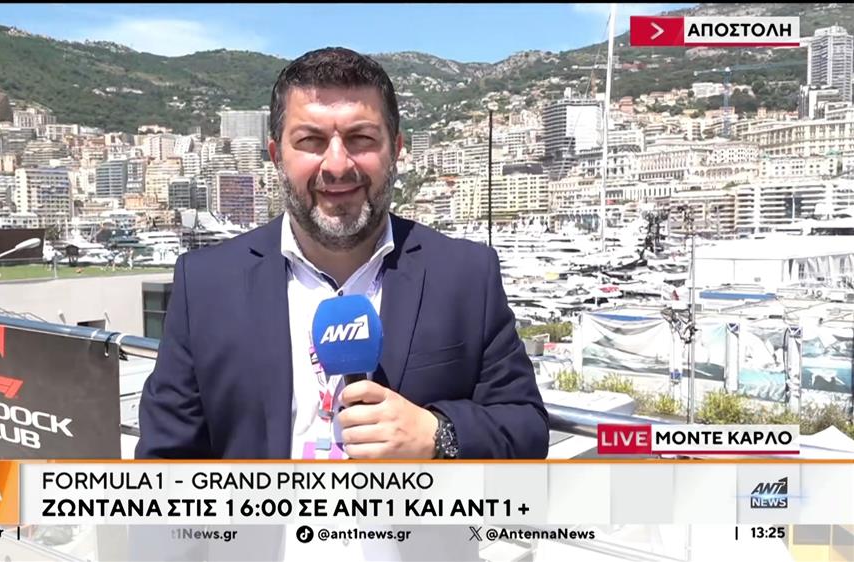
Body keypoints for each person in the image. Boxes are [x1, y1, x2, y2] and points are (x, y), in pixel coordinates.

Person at [134, 46, 548, 562]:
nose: (337, 164)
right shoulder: (206, 284)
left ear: (396, 148)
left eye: (361, 139)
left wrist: (437, 435)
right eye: (310, 140)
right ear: (276, 154)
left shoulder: (465, 274)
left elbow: (527, 430)